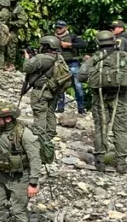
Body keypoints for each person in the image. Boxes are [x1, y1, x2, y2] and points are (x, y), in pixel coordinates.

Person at [80, 31, 127, 172]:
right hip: (121, 97)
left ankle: (100, 162)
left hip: (99, 97)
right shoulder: (123, 56)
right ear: (114, 41)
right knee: (121, 130)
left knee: (100, 128)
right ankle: (122, 164)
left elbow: (81, 77)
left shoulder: (95, 58)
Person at [20, 35, 66, 164]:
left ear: (46, 46)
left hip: (41, 90)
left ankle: (40, 140)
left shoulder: (42, 58)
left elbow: (27, 68)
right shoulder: (59, 57)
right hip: (53, 90)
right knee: (50, 111)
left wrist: (27, 58)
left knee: (39, 113)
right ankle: (50, 133)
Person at [53, 21, 88, 114]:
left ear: (65, 28)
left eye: (60, 28)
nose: (58, 29)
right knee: (59, 86)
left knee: (78, 86)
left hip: (72, 63)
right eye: (57, 27)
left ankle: (81, 108)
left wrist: (69, 45)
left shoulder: (73, 36)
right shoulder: (53, 38)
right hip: (59, 64)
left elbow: (83, 44)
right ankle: (60, 108)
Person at [4, 0, 29, 67]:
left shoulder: (19, 8)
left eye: (12, 1)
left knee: (11, 45)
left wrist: (11, 23)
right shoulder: (6, 6)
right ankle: (4, 62)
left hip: (14, 29)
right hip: (5, 28)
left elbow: (22, 20)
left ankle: (11, 64)